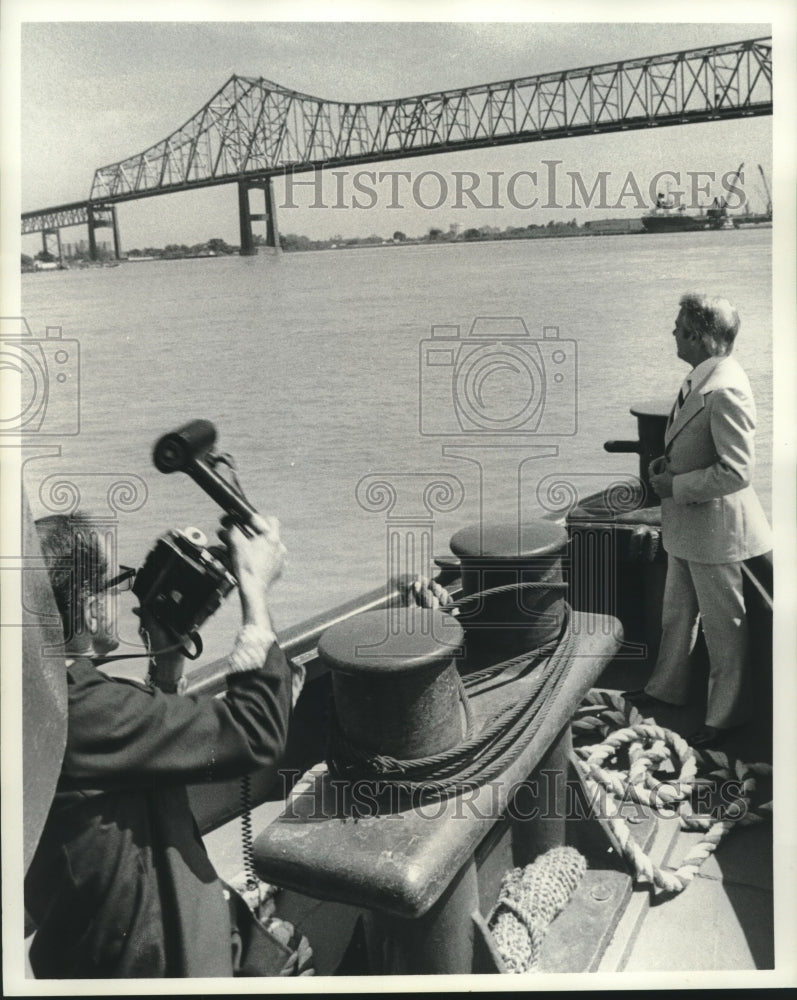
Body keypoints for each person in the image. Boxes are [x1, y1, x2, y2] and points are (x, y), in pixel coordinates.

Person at [24, 509, 298, 978]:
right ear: (91, 609)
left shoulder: (44, 697)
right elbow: (255, 734)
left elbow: (138, 759)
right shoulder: (89, 710)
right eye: (117, 582)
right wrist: (254, 588)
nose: (125, 594)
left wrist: (166, 665)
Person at [625, 294, 772, 748]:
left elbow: (737, 471)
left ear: (699, 336)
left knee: (724, 629)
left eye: (678, 327)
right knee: (677, 616)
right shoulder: (702, 378)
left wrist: (677, 486)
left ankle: (724, 720)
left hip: (718, 532)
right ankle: (664, 691)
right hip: (688, 529)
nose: (672, 333)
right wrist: (669, 472)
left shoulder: (725, 389)